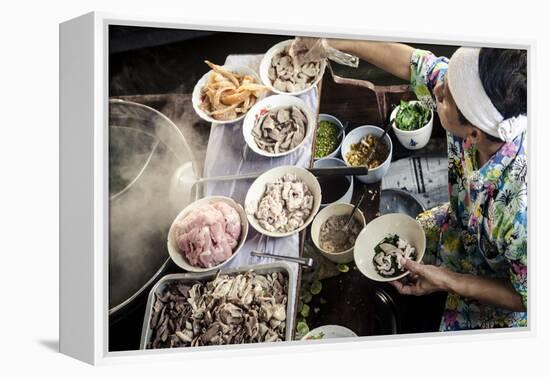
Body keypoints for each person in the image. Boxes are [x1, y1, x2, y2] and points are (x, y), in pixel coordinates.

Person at [290, 38, 527, 330]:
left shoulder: (521, 212)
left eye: (445, 97)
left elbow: (527, 297)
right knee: (389, 255)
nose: (437, 88)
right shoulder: (475, 104)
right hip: (463, 227)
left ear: (474, 134)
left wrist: (449, 281)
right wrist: (331, 41)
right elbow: (415, 64)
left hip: (503, 285)